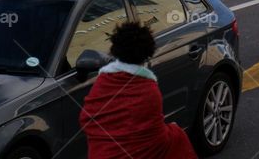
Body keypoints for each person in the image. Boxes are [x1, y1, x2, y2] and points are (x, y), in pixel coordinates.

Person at [80, 22, 198, 159]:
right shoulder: (149, 89)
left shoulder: (102, 82)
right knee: (178, 137)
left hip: (101, 154)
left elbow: (87, 118)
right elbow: (154, 135)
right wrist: (173, 130)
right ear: (147, 53)